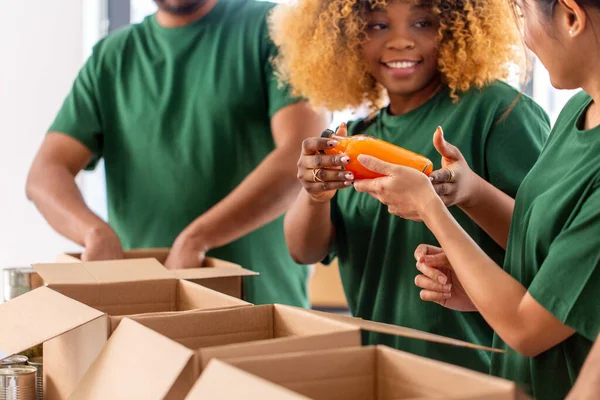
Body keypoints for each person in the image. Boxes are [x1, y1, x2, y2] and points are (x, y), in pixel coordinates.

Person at [274, 0, 550, 372]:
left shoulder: (499, 111)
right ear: (346, 37)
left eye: (422, 22)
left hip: (481, 370)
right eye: (376, 26)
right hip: (381, 370)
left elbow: (549, 245)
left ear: (456, 28)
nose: (401, 41)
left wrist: (468, 195)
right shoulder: (356, 137)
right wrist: (315, 195)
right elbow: (303, 251)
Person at [350, 0, 600, 397]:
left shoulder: (508, 110)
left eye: (522, 13)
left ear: (570, 17)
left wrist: (431, 209)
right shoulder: (578, 110)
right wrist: (471, 194)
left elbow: (526, 328)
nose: (525, 38)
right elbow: (552, 254)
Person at [25, 0, 328, 307]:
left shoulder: (272, 28)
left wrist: (199, 237)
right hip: (145, 313)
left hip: (262, 307)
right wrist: (94, 233)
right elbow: (44, 174)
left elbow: (301, 155)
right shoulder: (112, 57)